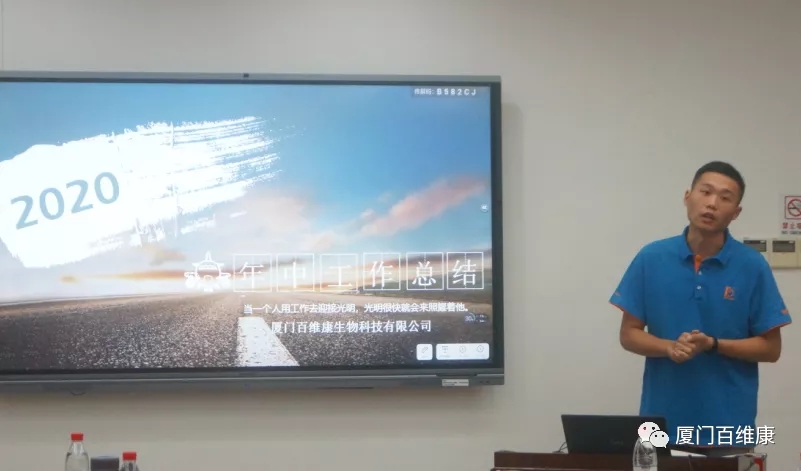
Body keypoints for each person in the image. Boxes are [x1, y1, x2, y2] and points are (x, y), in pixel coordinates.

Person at [610, 161, 792, 455]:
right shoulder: (652, 257)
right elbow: (629, 334)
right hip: (662, 426)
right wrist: (670, 347)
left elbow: (771, 349)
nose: (712, 204)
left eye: (725, 197)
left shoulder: (752, 265)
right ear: (688, 197)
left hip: (728, 428)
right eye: (705, 192)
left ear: (736, 212)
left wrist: (713, 344)